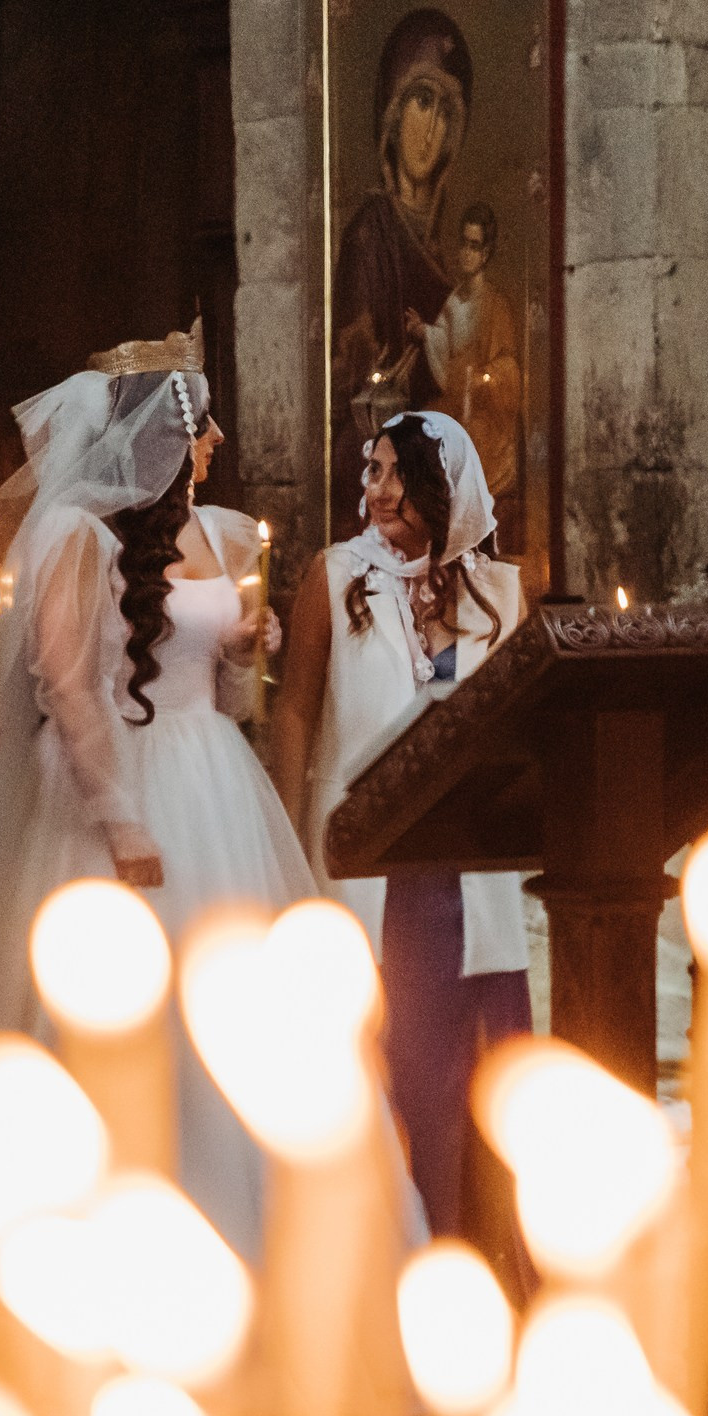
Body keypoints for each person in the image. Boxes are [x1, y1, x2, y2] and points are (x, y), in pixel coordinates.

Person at [0, 321, 296, 1259]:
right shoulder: (78, 536)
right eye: (201, 424)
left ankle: (235, 1223)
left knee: (223, 1013)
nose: (214, 443)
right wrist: (120, 818)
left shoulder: (221, 532)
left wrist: (249, 648)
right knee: (115, 1007)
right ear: (159, 430)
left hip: (213, 780)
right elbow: (70, 686)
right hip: (114, 784)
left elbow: (224, 683)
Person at [273, 410, 530, 1257]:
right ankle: (379, 1255)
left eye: (394, 475)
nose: (375, 491)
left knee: (478, 1076)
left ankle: (476, 1252)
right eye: (372, 471)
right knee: (381, 1065)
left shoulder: (501, 591)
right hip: (369, 864)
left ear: (443, 490)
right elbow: (298, 706)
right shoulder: (336, 575)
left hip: (473, 873)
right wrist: (280, 826)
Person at [330, 7, 472, 540]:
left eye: (443, 111)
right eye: (420, 100)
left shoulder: (450, 247)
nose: (430, 128)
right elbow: (357, 374)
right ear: (393, 114)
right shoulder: (370, 234)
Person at [417, 203, 522, 504]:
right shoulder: (453, 300)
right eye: (463, 243)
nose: (466, 252)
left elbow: (509, 367)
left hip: (485, 413)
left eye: (474, 246)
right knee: (422, 431)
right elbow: (444, 344)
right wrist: (424, 332)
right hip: (454, 401)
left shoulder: (496, 305)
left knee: (467, 440)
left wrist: (486, 378)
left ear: (486, 254)